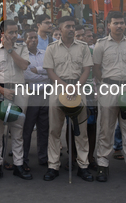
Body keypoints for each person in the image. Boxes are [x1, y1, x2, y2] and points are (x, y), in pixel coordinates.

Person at [93, 11, 126, 182]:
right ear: (108, 25)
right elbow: (96, 69)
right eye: (115, 23)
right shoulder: (100, 45)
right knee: (105, 129)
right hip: (108, 88)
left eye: (122, 23)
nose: (119, 26)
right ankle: (102, 164)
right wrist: (104, 86)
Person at [43, 16, 94, 182]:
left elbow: (87, 69)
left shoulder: (83, 47)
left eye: (73, 26)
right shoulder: (51, 48)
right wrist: (65, 86)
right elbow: (50, 71)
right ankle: (53, 165)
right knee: (54, 130)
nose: (72, 29)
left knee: (81, 131)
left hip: (78, 89)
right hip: (58, 89)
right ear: (60, 29)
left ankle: (83, 166)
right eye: (68, 26)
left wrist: (76, 86)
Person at [0, 20, 31, 181]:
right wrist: (1, 89)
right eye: (10, 32)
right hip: (0, 91)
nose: (13, 35)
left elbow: (24, 65)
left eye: (15, 32)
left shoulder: (22, 48)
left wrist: (10, 49)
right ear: (3, 33)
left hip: (18, 91)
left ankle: (18, 165)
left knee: (17, 131)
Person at [22, 29, 49, 171]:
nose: (33, 40)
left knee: (44, 128)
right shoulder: (23, 56)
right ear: (25, 40)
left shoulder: (45, 54)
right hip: (31, 95)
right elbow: (27, 76)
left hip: (45, 94)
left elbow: (51, 72)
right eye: (30, 38)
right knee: (27, 129)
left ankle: (43, 157)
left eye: (35, 38)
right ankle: (23, 158)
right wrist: (43, 74)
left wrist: (38, 70)